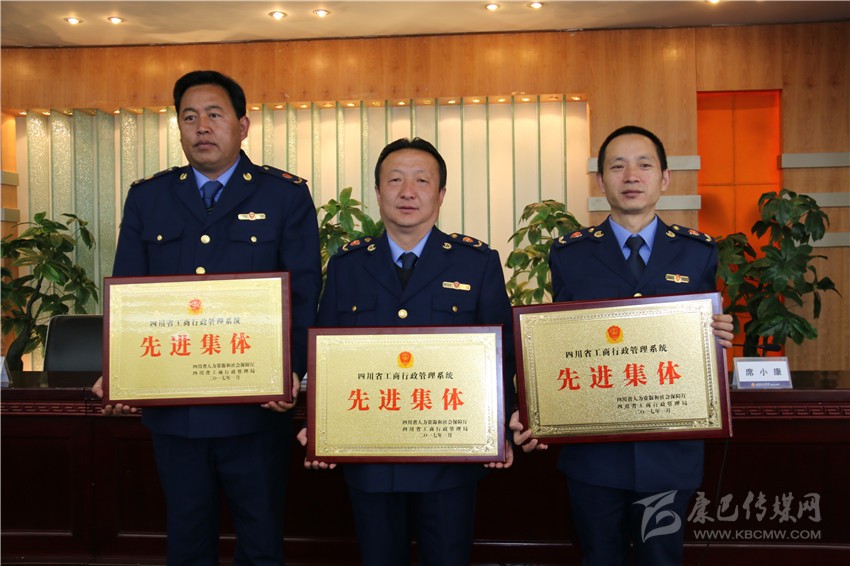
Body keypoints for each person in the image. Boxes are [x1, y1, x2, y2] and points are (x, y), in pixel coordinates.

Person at [92, 70, 321, 565]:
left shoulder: (283, 195)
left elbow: (304, 292)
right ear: (178, 127)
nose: (202, 127)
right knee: (187, 536)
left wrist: (293, 370)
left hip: (257, 406)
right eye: (189, 117)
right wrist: (119, 367)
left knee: (261, 537)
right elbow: (130, 290)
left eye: (214, 115)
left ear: (243, 125)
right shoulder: (149, 197)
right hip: (176, 409)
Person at [511, 125, 735, 566]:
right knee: (599, 556)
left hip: (668, 451)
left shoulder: (698, 252)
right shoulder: (570, 254)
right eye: (617, 166)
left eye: (644, 165)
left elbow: (702, 339)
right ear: (601, 181)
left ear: (664, 178)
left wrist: (720, 335)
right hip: (594, 452)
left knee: (661, 558)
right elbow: (560, 342)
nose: (631, 175)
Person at [299, 137, 515, 565]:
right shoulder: (347, 266)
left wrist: (499, 428)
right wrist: (318, 426)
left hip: (450, 459)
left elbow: (502, 353)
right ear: (378, 193)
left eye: (422, 180)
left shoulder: (476, 263)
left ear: (441, 194)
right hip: (370, 460)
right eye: (395, 180)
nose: (408, 191)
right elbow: (326, 354)